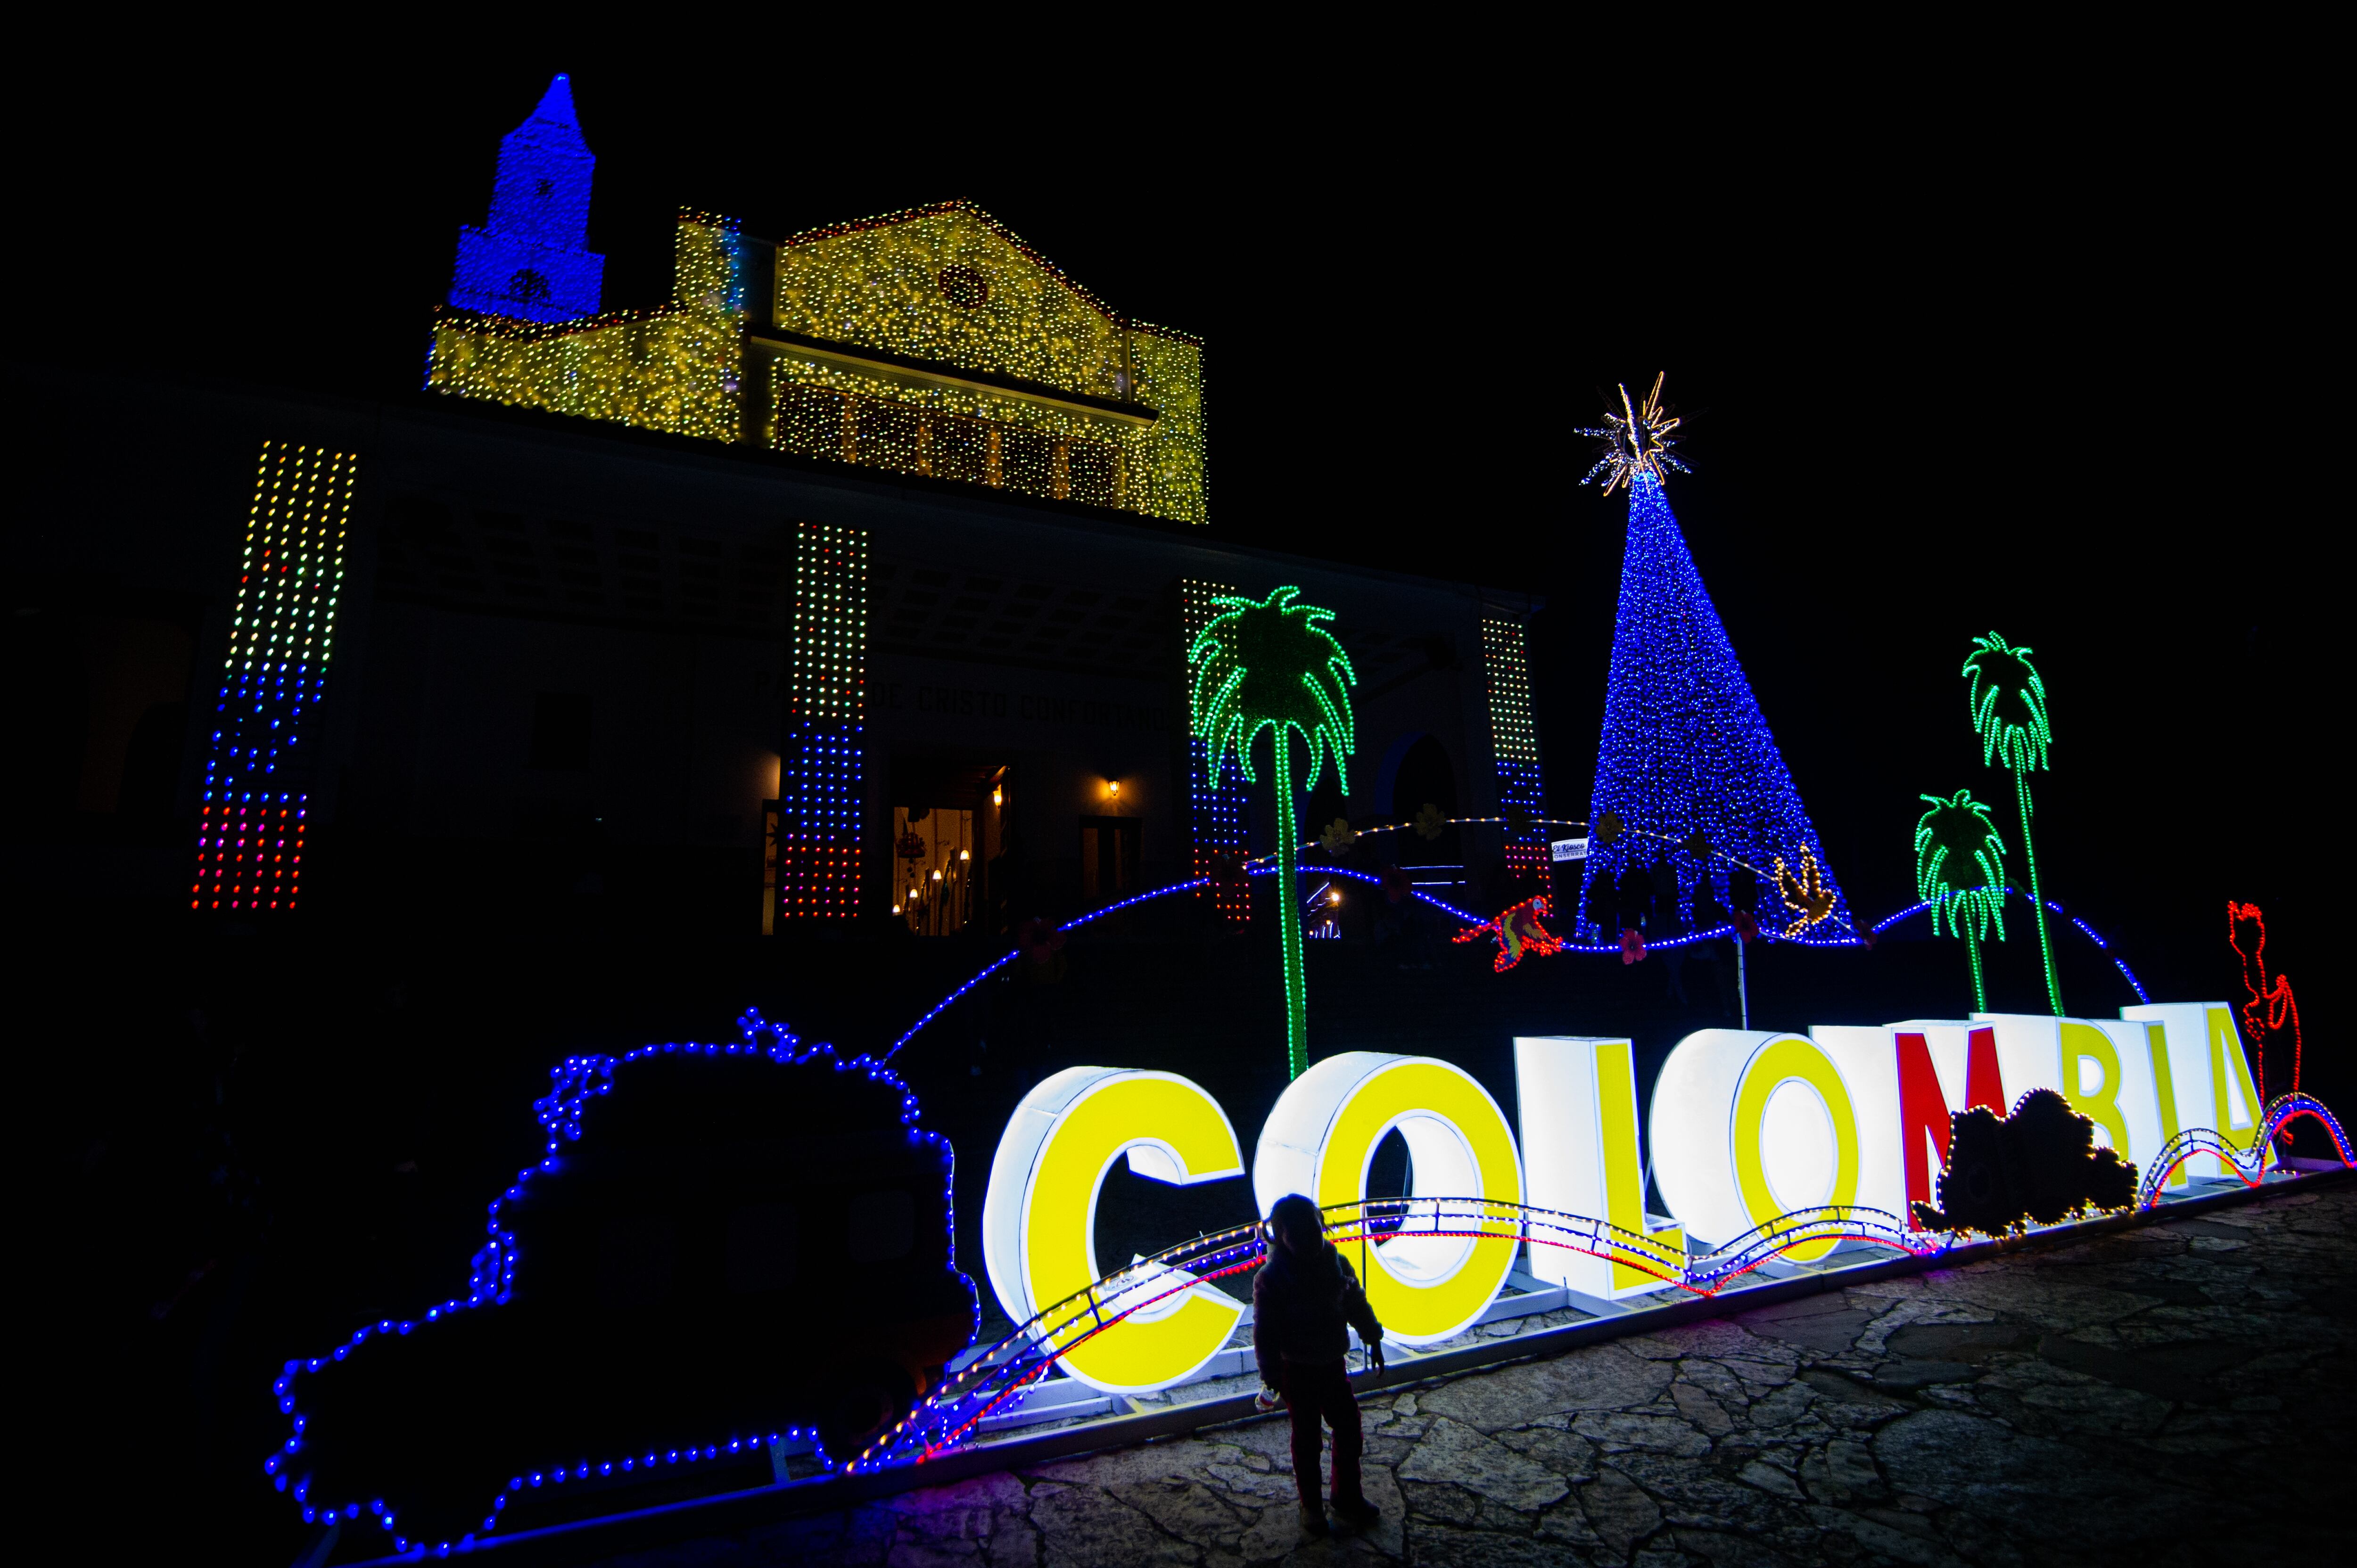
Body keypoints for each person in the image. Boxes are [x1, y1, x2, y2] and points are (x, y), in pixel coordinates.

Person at [1254, 1194, 1386, 1536]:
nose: (1312, 1240)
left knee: (1347, 1427)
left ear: (1322, 1227)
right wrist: (1271, 1373)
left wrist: (1372, 1333)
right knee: (1308, 1438)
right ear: (1281, 1233)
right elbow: (1265, 1331)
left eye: (1314, 1230)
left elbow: (1355, 1300)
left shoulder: (1337, 1264)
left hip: (1331, 1365)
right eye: (1300, 1233)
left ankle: (1346, 1496)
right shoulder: (1271, 1278)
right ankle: (1311, 1504)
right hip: (1296, 1370)